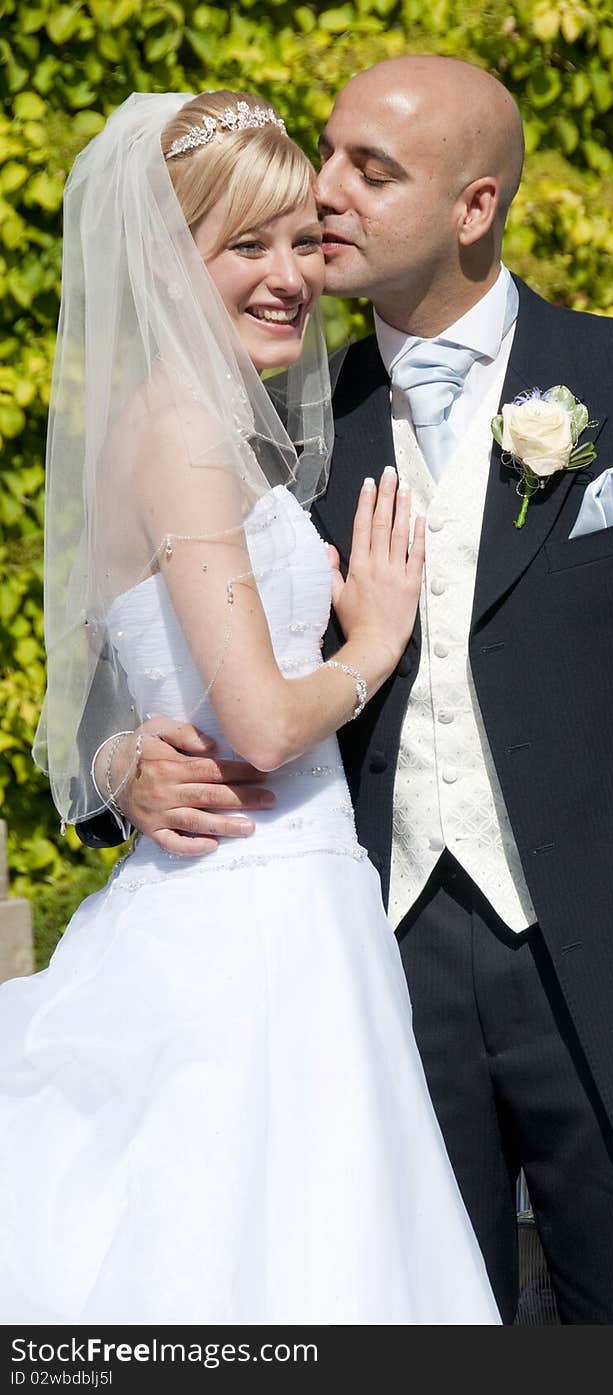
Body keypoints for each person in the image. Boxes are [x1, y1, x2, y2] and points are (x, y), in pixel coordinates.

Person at [90, 59, 613, 1325]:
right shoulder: (283, 432)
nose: (324, 195)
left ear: (473, 205)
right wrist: (121, 767)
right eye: (325, 154)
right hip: (368, 967)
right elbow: (125, 662)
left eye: (369, 171)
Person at [0, 88, 501, 1324]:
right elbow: (267, 728)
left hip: (298, 907)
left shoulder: (215, 421)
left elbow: (120, 670)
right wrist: (375, 639)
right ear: (170, 262)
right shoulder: (180, 431)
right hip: (254, 927)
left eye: (298, 242)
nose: (290, 276)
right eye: (246, 247)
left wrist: (120, 748)